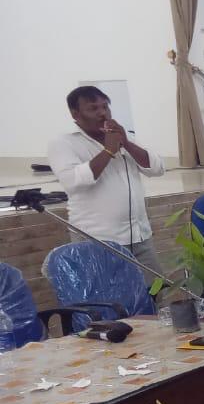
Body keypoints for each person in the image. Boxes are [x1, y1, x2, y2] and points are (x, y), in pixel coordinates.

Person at [47, 86, 166, 277]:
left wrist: (126, 143)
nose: (102, 113)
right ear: (75, 114)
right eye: (93, 108)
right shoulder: (63, 143)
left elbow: (157, 168)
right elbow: (74, 181)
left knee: (156, 290)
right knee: (110, 295)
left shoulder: (124, 137)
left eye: (105, 107)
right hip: (97, 241)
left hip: (140, 236)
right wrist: (108, 151)